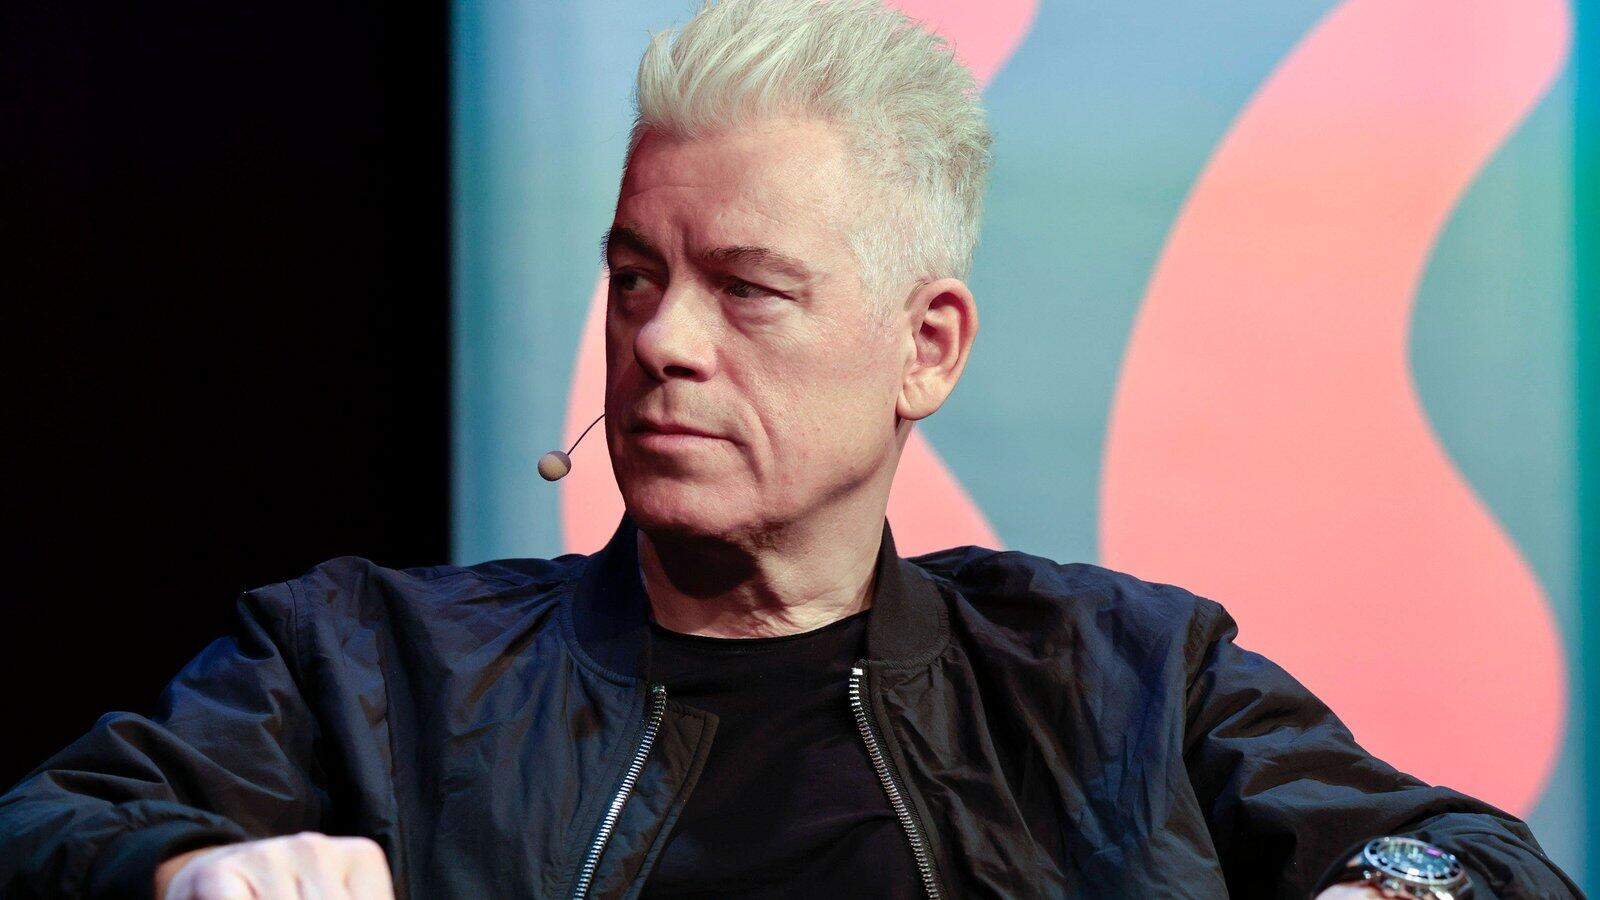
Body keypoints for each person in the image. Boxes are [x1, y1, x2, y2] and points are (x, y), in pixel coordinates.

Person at [0, 1, 1580, 897]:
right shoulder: (370, 667)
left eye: (746, 288)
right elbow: (45, 832)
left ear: (926, 347)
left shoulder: (1121, 680)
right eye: (637, 278)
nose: (663, 341)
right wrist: (180, 878)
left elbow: (1477, 858)